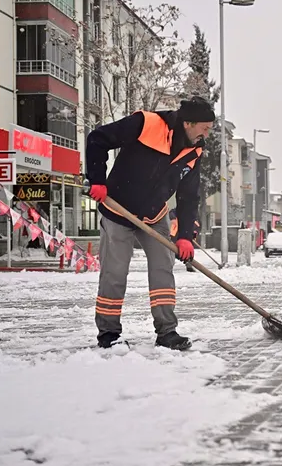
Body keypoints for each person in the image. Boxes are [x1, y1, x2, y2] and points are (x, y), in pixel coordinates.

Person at [85, 96, 214, 350]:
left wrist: (185, 235)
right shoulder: (147, 123)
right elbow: (97, 139)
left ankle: (167, 331)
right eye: (205, 128)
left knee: (163, 269)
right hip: (118, 210)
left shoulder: (194, 151)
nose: (206, 135)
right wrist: (97, 179)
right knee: (114, 273)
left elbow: (189, 196)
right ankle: (109, 333)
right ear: (188, 123)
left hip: (154, 214)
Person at [169, 208, 199, 273]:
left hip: (187, 235)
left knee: (188, 251)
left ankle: (189, 264)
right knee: (172, 250)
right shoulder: (178, 210)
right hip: (176, 235)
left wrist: (193, 236)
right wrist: (173, 218)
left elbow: (196, 227)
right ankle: (169, 264)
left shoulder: (194, 214)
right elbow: (171, 213)